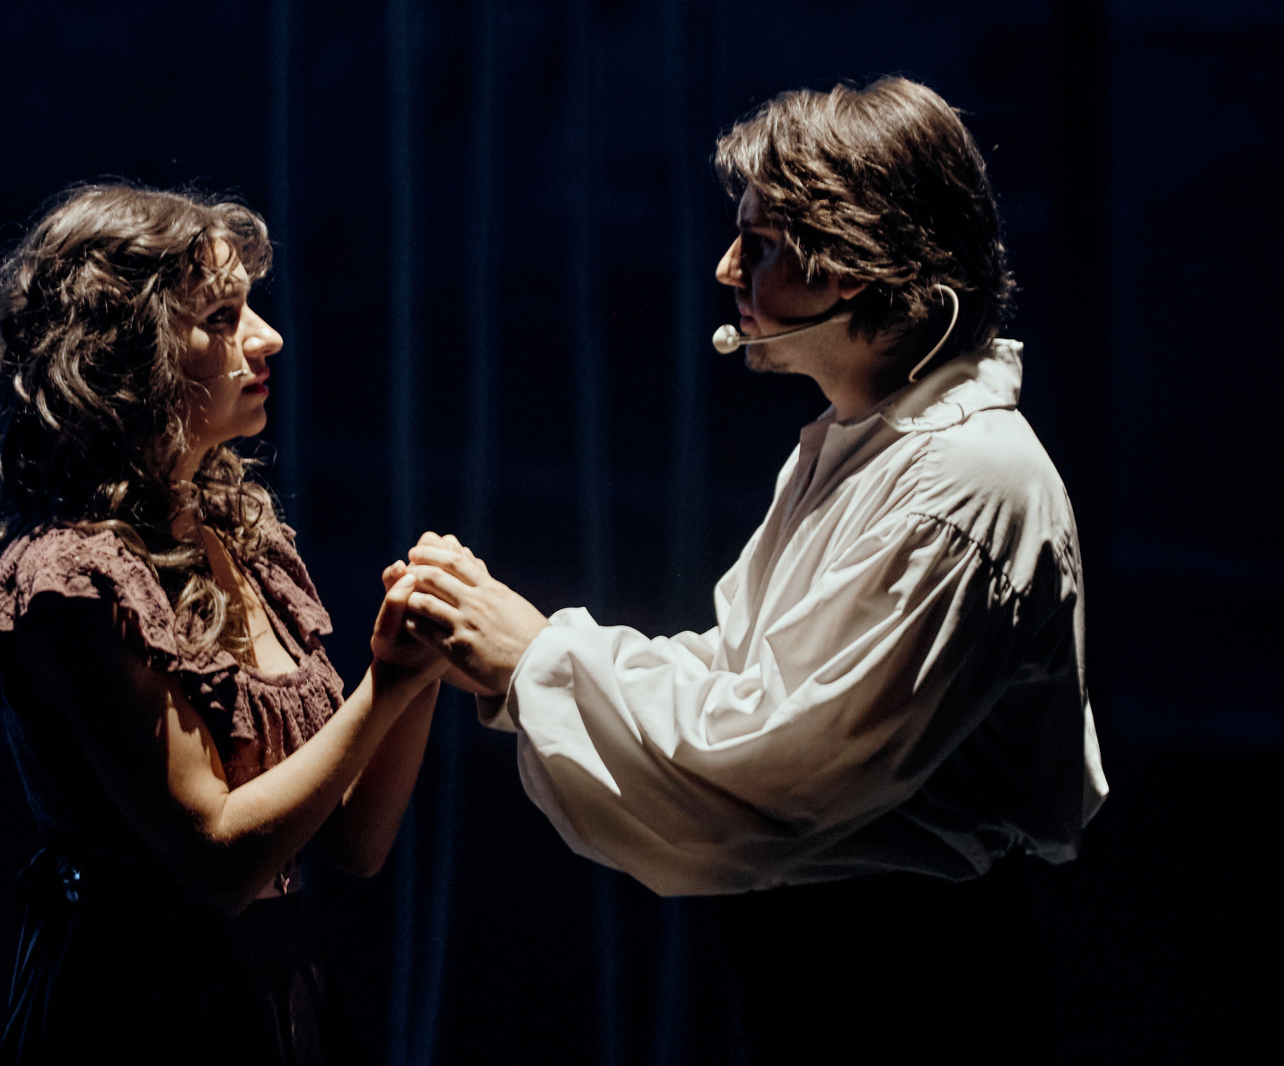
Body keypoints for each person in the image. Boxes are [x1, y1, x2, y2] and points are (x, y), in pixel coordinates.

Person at [402, 78, 1108, 1061]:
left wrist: (537, 659)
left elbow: (781, 765)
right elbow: (746, 675)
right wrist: (520, 650)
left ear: (851, 265)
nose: (727, 267)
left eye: (761, 242)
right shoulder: (867, 448)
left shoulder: (961, 482)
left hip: (911, 992)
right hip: (838, 970)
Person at [0, 184, 445, 1065]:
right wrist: (386, 686)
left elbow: (353, 841)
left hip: (271, 987)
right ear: (125, 352)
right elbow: (220, 861)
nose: (267, 337)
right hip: (145, 1006)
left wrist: (421, 660)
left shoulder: (243, 537)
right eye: (221, 318)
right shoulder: (75, 582)